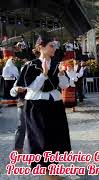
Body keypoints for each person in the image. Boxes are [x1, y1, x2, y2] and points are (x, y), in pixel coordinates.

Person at [16, 32, 71, 177]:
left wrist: (60, 74)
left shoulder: (57, 64)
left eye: (55, 46)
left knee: (56, 137)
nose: (54, 48)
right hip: (36, 105)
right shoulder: (31, 65)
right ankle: (46, 173)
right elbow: (32, 87)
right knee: (40, 138)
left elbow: (64, 85)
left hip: (55, 103)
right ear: (41, 47)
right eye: (51, 46)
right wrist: (44, 74)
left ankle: (53, 170)